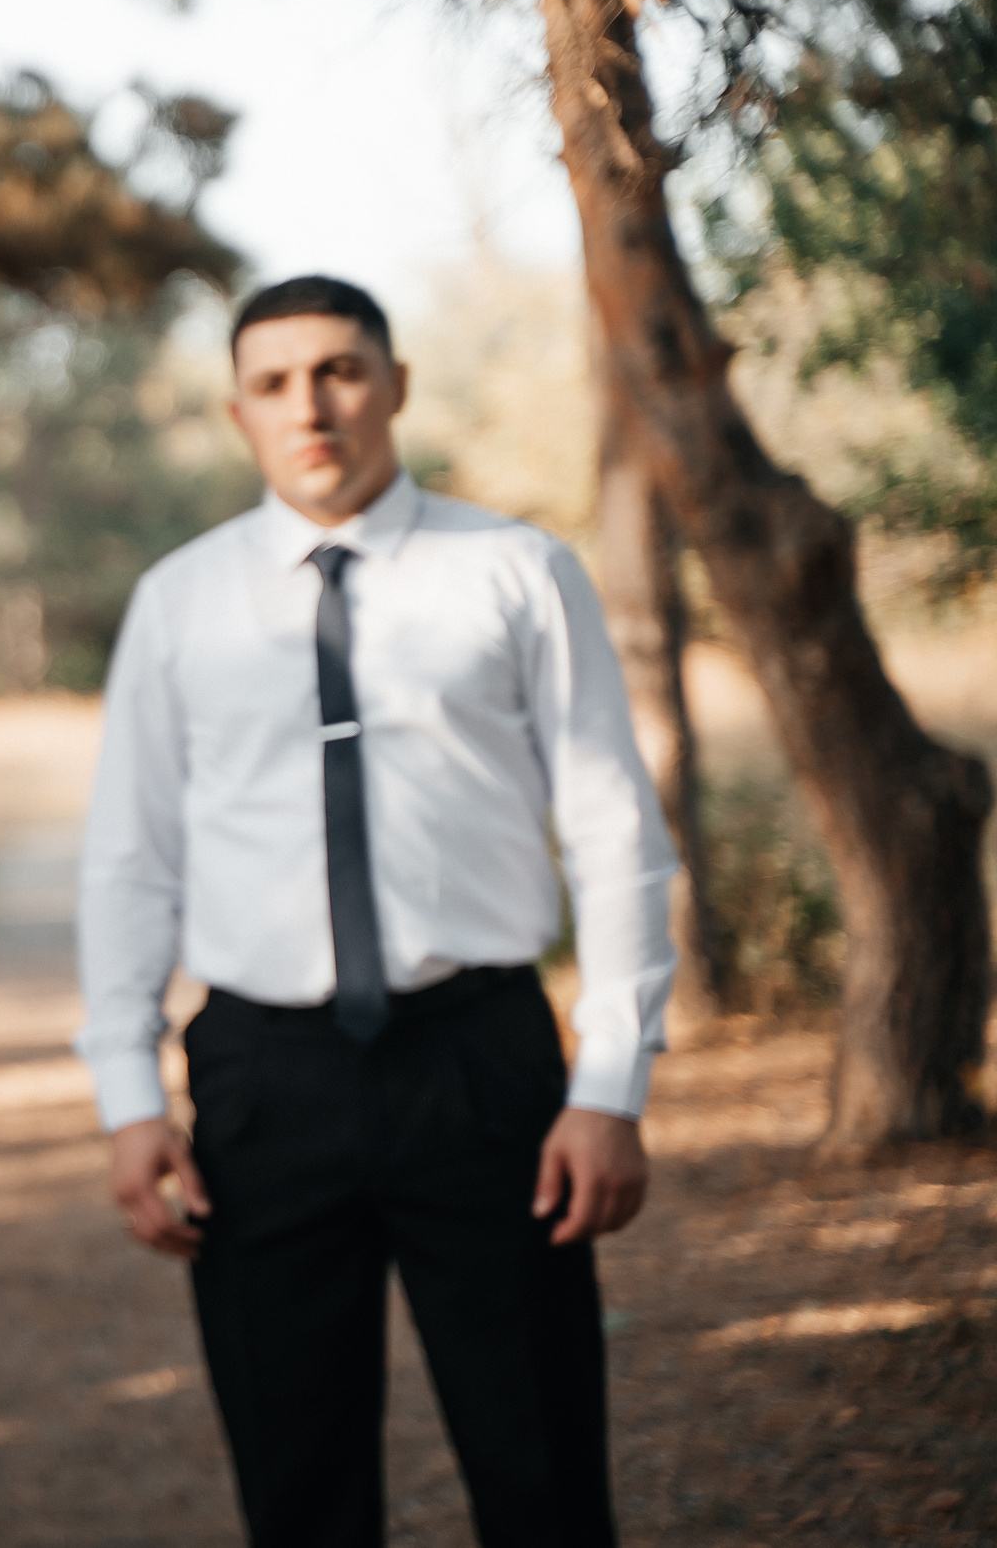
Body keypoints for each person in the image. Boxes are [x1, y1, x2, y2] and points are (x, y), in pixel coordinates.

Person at [76, 275, 673, 1548]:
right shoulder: (178, 602)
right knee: (297, 1488)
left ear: (394, 385)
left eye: (341, 371)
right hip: (261, 1081)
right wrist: (129, 1100)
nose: (314, 407)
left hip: (483, 1064)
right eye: (276, 383)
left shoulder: (515, 572)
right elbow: (130, 859)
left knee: (544, 1470)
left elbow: (613, 825)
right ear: (238, 411)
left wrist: (610, 1084)